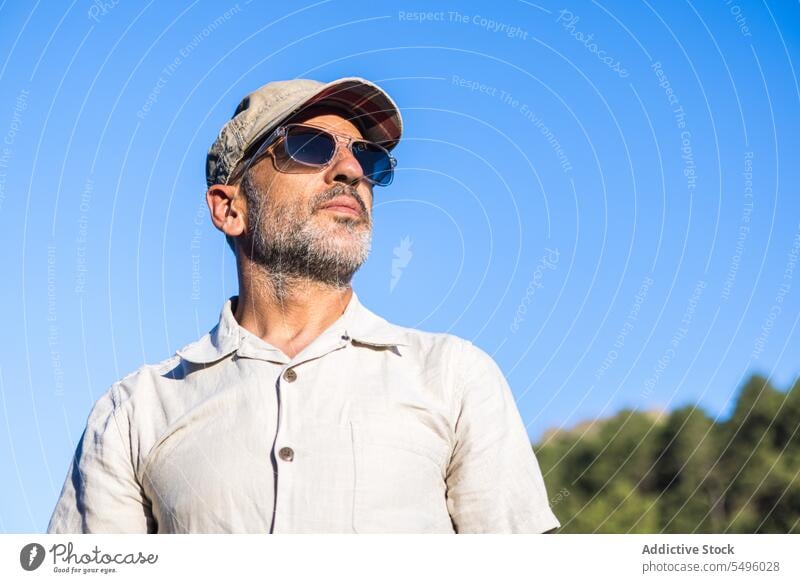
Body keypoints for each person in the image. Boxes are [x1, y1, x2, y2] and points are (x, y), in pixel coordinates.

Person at [47, 77, 560, 534]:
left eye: (369, 157)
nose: (351, 170)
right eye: (310, 146)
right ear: (229, 208)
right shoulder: (134, 413)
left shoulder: (455, 378)